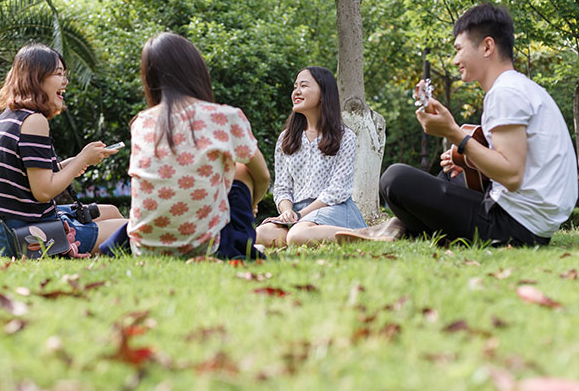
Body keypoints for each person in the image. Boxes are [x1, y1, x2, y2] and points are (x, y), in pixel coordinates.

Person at [336, 3, 577, 246]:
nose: (454, 60)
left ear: (487, 46)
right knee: (453, 173)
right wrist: (471, 161)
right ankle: (397, 227)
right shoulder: (520, 87)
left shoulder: (506, 93)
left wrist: (454, 134)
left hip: (514, 227)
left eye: (459, 49)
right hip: (531, 222)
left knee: (394, 179)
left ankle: (399, 226)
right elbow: (522, 165)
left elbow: (512, 175)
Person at [127, 32, 270, 258]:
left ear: (150, 78)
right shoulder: (224, 116)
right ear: (196, 70)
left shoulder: (141, 122)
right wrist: (254, 203)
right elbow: (262, 176)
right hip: (206, 246)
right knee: (242, 169)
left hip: (144, 247)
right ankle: (240, 241)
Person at [0, 43, 128, 257]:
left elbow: (29, 176)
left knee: (112, 212)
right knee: (128, 229)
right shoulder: (34, 121)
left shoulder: (9, 117)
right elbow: (43, 192)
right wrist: (81, 160)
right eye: (59, 74)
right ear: (36, 77)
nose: (65, 81)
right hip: (27, 236)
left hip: (8, 228)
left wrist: (73, 161)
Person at [255, 66, 367, 247]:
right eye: (295, 86)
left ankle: (364, 233)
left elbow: (337, 190)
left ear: (323, 93)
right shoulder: (286, 138)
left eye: (304, 86)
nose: (296, 92)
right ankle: (301, 232)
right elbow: (282, 187)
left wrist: (301, 215)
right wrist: (287, 212)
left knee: (298, 235)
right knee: (262, 233)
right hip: (299, 214)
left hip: (333, 209)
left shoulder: (345, 136)